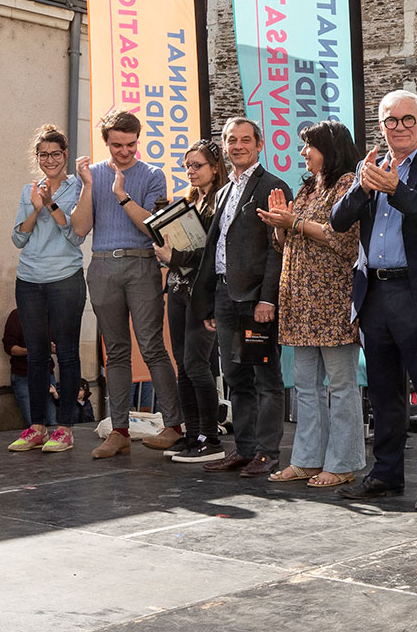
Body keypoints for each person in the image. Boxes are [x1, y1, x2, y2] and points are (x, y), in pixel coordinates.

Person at [331, 90, 417, 511]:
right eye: (391, 121)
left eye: (407, 120)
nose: (399, 127)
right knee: (385, 394)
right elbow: (338, 221)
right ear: (381, 126)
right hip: (376, 294)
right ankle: (385, 474)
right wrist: (362, 188)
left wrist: (397, 189)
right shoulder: (367, 166)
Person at [257, 120, 365, 488]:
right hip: (300, 300)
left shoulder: (349, 184)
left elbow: (341, 237)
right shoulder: (307, 188)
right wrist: (279, 223)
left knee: (341, 385)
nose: (303, 153)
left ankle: (343, 461)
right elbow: (285, 241)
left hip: (332, 299)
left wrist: (295, 222)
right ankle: (306, 458)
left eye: (310, 147)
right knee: (304, 385)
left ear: (329, 149)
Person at [71, 110, 182, 459]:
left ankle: (174, 425)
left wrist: (121, 194)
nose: (124, 151)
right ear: (106, 142)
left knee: (151, 346)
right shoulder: (92, 175)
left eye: (131, 144)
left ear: (138, 140)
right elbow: (79, 228)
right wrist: (89, 186)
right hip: (102, 263)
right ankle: (118, 429)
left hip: (140, 263)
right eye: (117, 145)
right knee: (115, 351)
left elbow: (152, 227)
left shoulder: (151, 174)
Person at [193, 118, 289, 478]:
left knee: (265, 378)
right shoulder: (223, 191)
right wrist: (209, 302)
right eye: (231, 140)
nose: (238, 146)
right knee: (235, 377)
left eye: (245, 140)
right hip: (224, 297)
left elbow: (276, 250)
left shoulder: (272, 187)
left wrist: (268, 299)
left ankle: (267, 452)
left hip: (254, 301)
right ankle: (245, 449)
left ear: (259, 145)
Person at [7, 125, 87, 454]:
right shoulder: (31, 190)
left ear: (65, 155)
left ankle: (64, 428)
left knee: (66, 353)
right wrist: (37, 207)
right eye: (43, 155)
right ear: (37, 158)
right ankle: (37, 427)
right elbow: (18, 238)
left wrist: (52, 205)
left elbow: (76, 235)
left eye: (55, 154)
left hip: (65, 278)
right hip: (29, 279)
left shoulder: (79, 187)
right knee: (37, 355)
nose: (49, 160)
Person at [154, 140, 226, 463]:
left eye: (197, 165)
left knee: (198, 365)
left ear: (214, 168)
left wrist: (175, 255)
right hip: (178, 288)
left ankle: (210, 438)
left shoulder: (220, 203)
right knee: (183, 364)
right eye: (188, 166)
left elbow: (211, 255)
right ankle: (192, 433)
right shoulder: (188, 202)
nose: (191, 171)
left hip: (202, 291)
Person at [2, 308, 58, 429]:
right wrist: (34, 351)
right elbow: (10, 347)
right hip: (23, 375)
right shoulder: (17, 315)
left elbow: (64, 348)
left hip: (46, 374)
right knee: (33, 423)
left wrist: (54, 349)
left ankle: (53, 445)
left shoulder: (53, 316)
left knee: (52, 420)